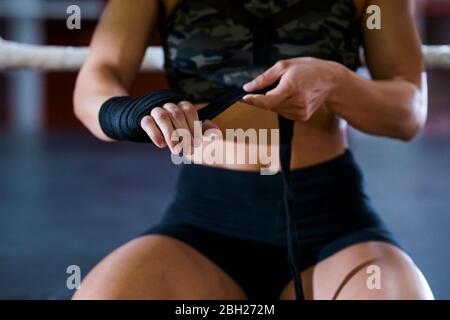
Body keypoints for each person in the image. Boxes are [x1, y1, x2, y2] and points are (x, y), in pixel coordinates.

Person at [72, 0, 433, 300]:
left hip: (333, 226)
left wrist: (338, 83)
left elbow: (409, 110)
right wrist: (132, 113)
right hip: (204, 226)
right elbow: (95, 80)